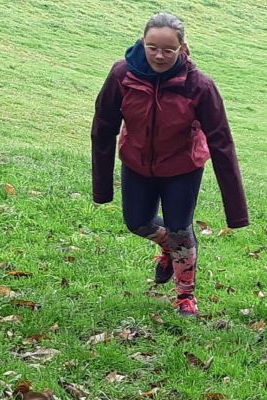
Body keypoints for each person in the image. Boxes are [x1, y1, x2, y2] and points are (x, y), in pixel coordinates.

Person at [91, 12, 248, 316]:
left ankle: (185, 296)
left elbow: (222, 142)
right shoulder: (121, 75)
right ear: (142, 42)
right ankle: (169, 247)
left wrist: (236, 211)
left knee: (179, 228)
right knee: (137, 222)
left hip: (182, 168)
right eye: (152, 48)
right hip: (137, 163)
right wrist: (102, 187)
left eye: (168, 50)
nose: (159, 56)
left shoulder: (199, 85)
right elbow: (103, 126)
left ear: (182, 48)